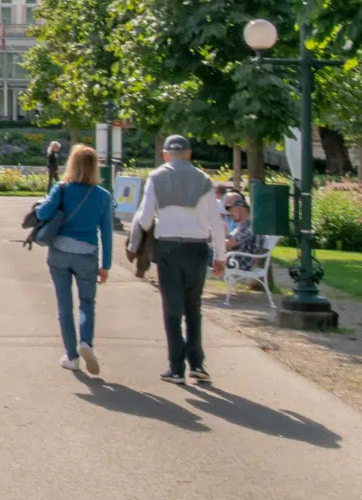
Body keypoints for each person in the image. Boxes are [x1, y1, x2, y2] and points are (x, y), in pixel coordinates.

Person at [128, 135, 227, 385]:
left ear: (165, 155)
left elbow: (146, 217)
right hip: (197, 249)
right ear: (189, 154)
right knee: (193, 307)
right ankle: (197, 363)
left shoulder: (157, 177)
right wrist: (221, 256)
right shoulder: (204, 180)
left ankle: (176, 367)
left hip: (169, 248)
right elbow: (216, 221)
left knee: (172, 309)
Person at [31, 144, 114, 373]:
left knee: (64, 305)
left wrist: (42, 205)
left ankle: (72, 356)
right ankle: (86, 341)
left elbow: (43, 213)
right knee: (87, 303)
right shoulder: (103, 196)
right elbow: (106, 233)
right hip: (88, 255)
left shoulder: (62, 188)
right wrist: (105, 265)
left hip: (59, 253)